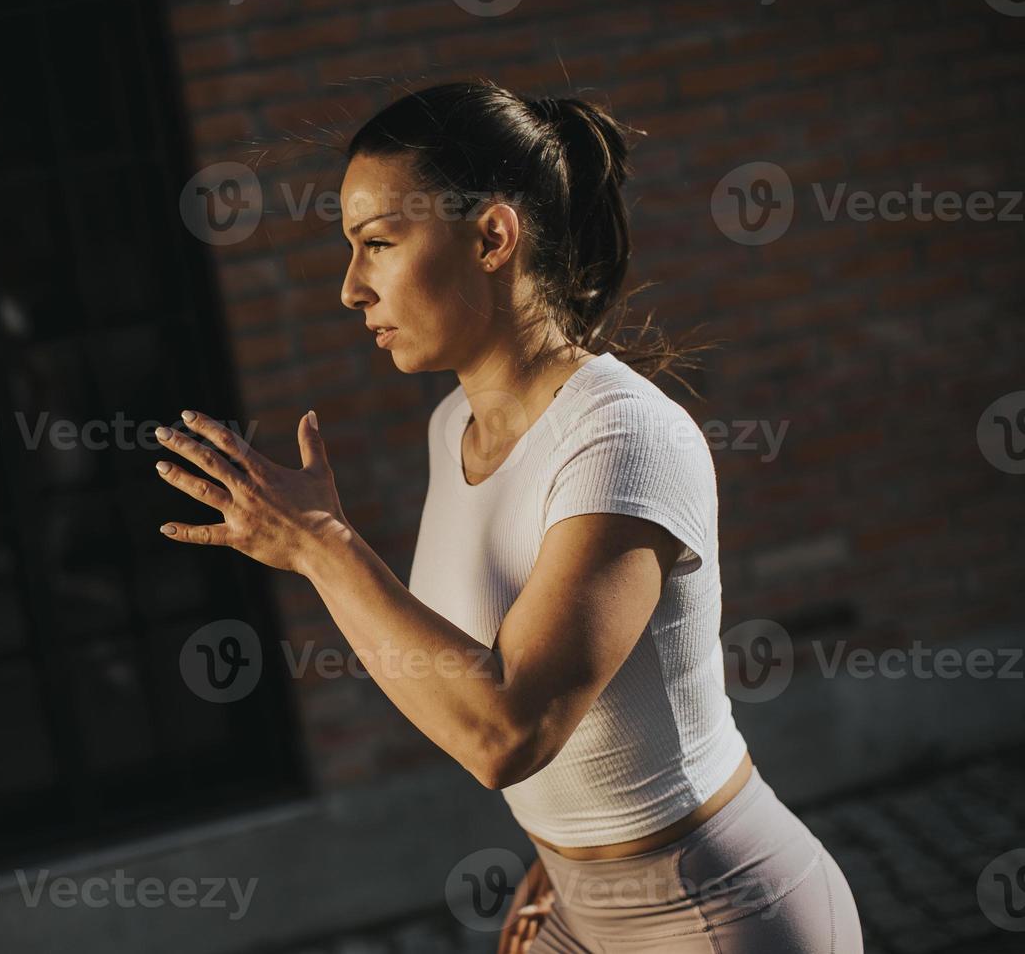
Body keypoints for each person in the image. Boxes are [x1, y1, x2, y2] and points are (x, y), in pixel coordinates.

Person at [152, 80, 865, 952]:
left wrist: (323, 547)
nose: (350, 288)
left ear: (492, 236)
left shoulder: (624, 436)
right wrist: (561, 864)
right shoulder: (452, 426)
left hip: (713, 913)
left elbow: (506, 733)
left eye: (378, 243)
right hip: (570, 902)